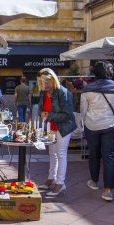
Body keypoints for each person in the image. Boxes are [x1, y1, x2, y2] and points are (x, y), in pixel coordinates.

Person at [80, 61, 114, 201]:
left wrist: (83, 125)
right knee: (109, 156)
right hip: (112, 126)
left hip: (91, 125)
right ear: (110, 72)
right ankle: (108, 191)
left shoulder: (87, 89)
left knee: (93, 154)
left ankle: (94, 182)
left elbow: (83, 111)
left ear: (95, 72)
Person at [37, 68, 77, 196]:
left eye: (48, 81)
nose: (45, 84)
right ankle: (51, 178)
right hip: (52, 126)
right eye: (42, 82)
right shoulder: (43, 93)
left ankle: (60, 183)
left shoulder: (62, 92)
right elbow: (41, 109)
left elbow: (67, 115)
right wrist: (42, 114)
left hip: (64, 127)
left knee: (61, 153)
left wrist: (48, 115)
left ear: (53, 80)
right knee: (52, 153)